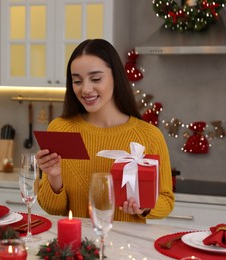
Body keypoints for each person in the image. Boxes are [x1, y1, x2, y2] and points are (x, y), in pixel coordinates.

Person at [36, 39, 174, 223]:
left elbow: (166, 200)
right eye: (77, 81)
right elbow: (53, 209)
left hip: (129, 249)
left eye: (95, 79)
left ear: (116, 77)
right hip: (77, 248)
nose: (85, 89)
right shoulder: (60, 129)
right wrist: (54, 177)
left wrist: (145, 207)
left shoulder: (149, 135)